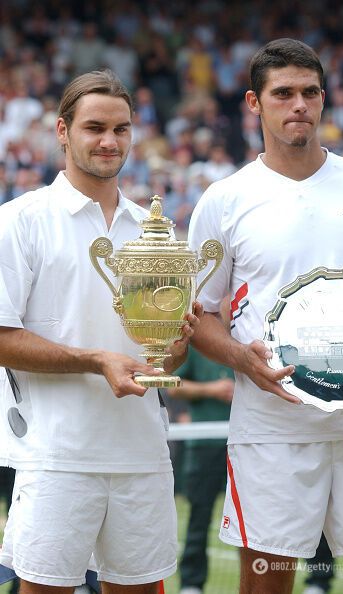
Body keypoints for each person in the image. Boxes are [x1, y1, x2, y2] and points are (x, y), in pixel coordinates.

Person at [187, 38, 343, 594]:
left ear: (324, 99)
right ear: (254, 102)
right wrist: (239, 359)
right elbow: (199, 315)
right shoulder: (224, 200)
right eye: (283, 94)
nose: (298, 104)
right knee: (268, 581)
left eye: (310, 92)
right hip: (272, 426)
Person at [0, 69, 201, 594]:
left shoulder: (154, 229)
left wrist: (174, 347)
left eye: (121, 129)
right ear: (63, 132)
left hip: (142, 451)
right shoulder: (20, 222)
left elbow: (161, 364)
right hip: (56, 455)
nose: (109, 141)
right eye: (94, 127)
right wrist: (96, 360)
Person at [167, 345, 234, 594]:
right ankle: (191, 584)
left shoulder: (250, 332)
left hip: (246, 444)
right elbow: (172, 385)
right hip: (203, 442)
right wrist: (212, 390)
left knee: (251, 520)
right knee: (199, 516)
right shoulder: (196, 344)